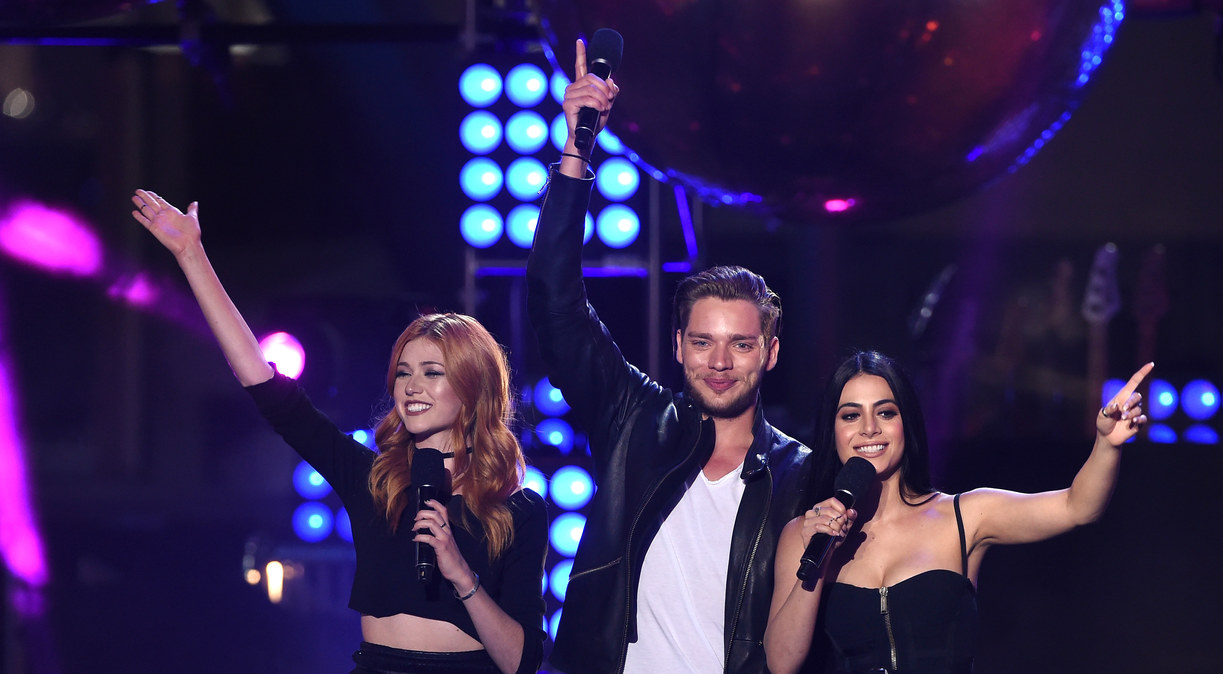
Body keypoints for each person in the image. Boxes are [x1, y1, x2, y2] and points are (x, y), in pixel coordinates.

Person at [130, 190, 547, 674]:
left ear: (472, 387)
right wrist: (191, 255)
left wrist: (462, 577)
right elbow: (265, 385)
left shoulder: (515, 509)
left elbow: (522, 663)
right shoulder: (374, 480)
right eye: (403, 371)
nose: (411, 386)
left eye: (432, 372)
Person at [526, 38, 811, 674]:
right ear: (677, 345)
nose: (719, 361)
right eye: (703, 341)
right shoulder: (632, 419)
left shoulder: (798, 472)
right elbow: (555, 301)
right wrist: (577, 150)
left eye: (740, 344)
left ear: (770, 352)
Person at [763, 350, 1153, 674]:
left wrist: (1107, 444)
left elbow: (1077, 507)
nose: (868, 429)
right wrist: (819, 556)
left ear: (906, 424)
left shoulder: (964, 516)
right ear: (833, 431)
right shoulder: (805, 533)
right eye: (850, 415)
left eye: (885, 412)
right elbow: (781, 663)